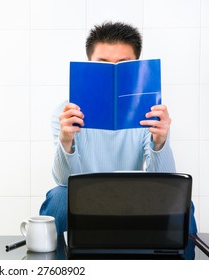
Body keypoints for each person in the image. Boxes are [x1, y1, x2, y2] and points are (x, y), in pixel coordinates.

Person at [39, 22, 197, 243]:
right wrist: (66, 141)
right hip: (84, 197)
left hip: (134, 195)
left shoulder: (150, 111)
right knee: (58, 197)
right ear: (89, 66)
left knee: (181, 200)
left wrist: (159, 142)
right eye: (102, 65)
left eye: (124, 65)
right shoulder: (66, 113)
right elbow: (64, 181)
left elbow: (164, 183)